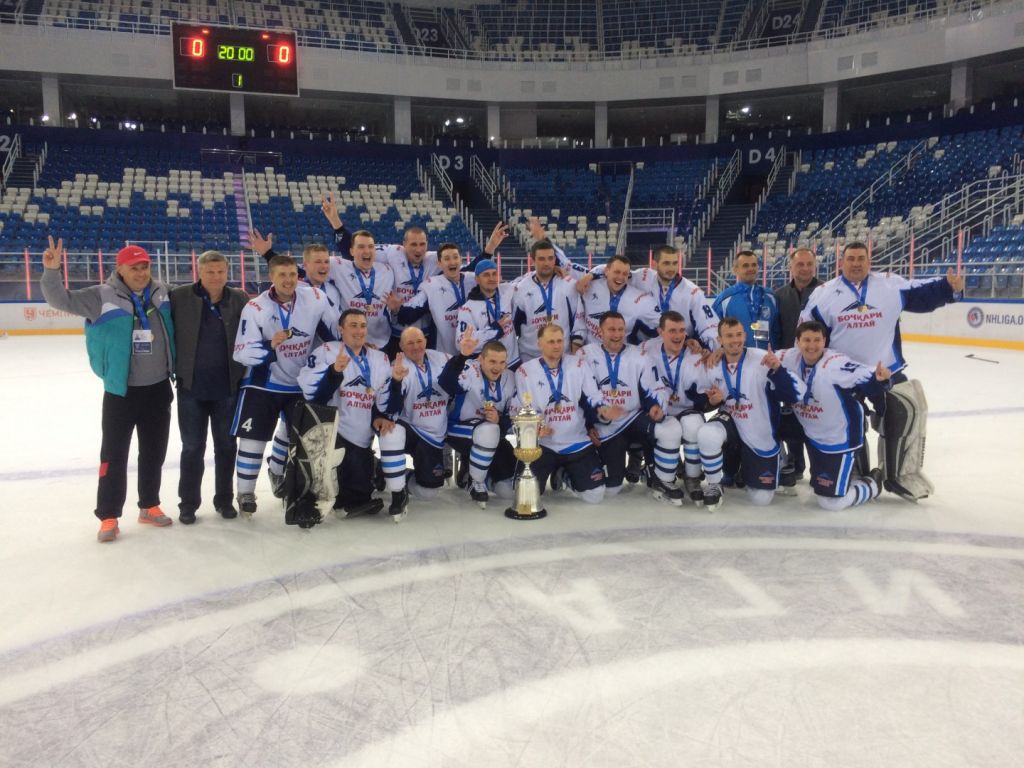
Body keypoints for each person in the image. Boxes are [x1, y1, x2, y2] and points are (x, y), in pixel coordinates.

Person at [800, 241, 964, 500]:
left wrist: (947, 287)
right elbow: (806, 334)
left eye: (861, 259)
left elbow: (920, 293)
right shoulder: (823, 294)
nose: (856, 263)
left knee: (906, 410)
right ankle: (854, 471)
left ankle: (899, 475)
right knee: (847, 421)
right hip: (843, 373)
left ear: (869, 261)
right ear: (841, 262)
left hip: (887, 369)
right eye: (851, 259)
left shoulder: (889, 284)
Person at [40, 238, 176, 542]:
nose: (141, 273)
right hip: (120, 392)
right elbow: (60, 300)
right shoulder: (101, 296)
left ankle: (149, 505)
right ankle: (109, 515)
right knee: (113, 455)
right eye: (134, 268)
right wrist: (52, 271)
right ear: (120, 269)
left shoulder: (162, 292)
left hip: (158, 388)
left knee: (153, 452)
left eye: (145, 266)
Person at [232, 254, 337, 517]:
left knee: (297, 436)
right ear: (271, 277)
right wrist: (270, 345)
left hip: (299, 382)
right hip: (263, 384)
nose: (288, 280)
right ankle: (245, 493)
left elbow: (333, 333)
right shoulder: (255, 308)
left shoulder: (315, 298)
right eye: (282, 275)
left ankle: (277, 472)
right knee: (253, 440)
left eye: (292, 275)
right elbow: (241, 352)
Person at [169, 250, 249, 524]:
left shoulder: (238, 298)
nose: (216, 277)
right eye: (210, 272)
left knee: (226, 446)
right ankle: (188, 504)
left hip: (227, 389)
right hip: (191, 388)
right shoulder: (179, 297)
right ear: (199, 271)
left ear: (227, 272)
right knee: (192, 447)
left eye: (221, 272)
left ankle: (224, 500)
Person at [778, 321, 888, 510]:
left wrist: (878, 379)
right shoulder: (789, 357)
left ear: (824, 341)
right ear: (797, 342)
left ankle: (872, 485)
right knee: (767, 422)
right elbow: (754, 360)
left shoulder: (835, 363)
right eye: (807, 340)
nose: (812, 345)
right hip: (810, 431)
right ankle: (782, 468)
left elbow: (863, 375)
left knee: (831, 502)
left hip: (838, 437)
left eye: (817, 340)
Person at [695, 316, 802, 511]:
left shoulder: (762, 359)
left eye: (738, 335)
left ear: (745, 336)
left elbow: (795, 395)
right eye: (729, 336)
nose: (735, 340)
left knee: (761, 499)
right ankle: (714, 484)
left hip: (758, 432)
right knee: (707, 433)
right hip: (731, 422)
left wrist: (778, 370)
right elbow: (702, 403)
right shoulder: (712, 364)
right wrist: (712, 402)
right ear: (720, 340)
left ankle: (759, 468)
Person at [578, 312, 684, 504]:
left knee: (669, 428)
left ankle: (663, 479)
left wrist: (656, 407)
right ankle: (568, 472)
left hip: (633, 418)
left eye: (620, 329)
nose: (617, 334)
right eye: (611, 329)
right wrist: (588, 425)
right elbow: (581, 396)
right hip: (605, 428)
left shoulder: (639, 355)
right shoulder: (584, 355)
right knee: (612, 489)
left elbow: (655, 388)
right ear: (600, 331)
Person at [298, 308, 392, 520]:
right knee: (330, 484)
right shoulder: (326, 352)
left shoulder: (380, 358)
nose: (359, 331)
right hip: (333, 429)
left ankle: (372, 473)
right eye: (353, 326)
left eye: (363, 326)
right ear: (341, 329)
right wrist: (333, 372)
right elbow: (315, 398)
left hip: (362, 433)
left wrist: (380, 415)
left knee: (359, 489)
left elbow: (382, 398)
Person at [513, 323, 623, 504]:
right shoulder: (525, 371)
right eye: (551, 342)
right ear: (539, 344)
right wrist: (535, 427)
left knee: (594, 496)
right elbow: (522, 409)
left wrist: (604, 410)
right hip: (543, 445)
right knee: (525, 498)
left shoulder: (579, 365)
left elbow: (593, 396)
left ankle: (566, 475)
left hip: (576, 442)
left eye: (559, 341)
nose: (557, 346)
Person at [377, 327, 453, 520]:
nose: (416, 346)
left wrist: (465, 356)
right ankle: (397, 493)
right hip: (409, 427)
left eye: (419, 341)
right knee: (391, 432)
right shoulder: (397, 366)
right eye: (409, 343)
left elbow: (462, 384)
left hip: (433, 435)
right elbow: (388, 408)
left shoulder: (443, 359)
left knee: (428, 492)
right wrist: (396, 382)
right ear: (401, 346)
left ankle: (384, 469)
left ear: (425, 341)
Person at [438, 330, 518, 508]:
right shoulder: (469, 369)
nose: (497, 367)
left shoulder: (511, 378)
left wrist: (500, 420)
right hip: (458, 429)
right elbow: (446, 383)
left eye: (502, 362)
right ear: (481, 359)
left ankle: (476, 475)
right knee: (489, 430)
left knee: (507, 491)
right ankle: (477, 482)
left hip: (493, 435)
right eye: (492, 361)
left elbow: (513, 417)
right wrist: (462, 356)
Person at [639, 310, 710, 504]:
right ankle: (663, 479)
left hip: (687, 410)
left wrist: (709, 400)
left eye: (682, 330)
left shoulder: (696, 355)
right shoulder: (646, 349)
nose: (678, 336)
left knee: (693, 425)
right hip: (660, 410)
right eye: (672, 331)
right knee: (670, 430)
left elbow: (704, 396)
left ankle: (692, 477)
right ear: (660, 332)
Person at [773, 246, 823, 491]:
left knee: (817, 415)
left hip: (819, 367)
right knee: (792, 415)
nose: (804, 268)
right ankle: (796, 462)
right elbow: (776, 330)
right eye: (799, 264)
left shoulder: (826, 292)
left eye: (809, 264)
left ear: (815, 266)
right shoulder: (779, 295)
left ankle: (820, 466)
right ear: (790, 267)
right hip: (789, 366)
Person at [386, 242, 477, 355]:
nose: (452, 262)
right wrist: (397, 309)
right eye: (447, 259)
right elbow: (410, 314)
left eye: (455, 257)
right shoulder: (431, 285)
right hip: (443, 354)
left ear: (460, 260)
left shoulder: (473, 279)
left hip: (473, 351)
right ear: (439, 263)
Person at [512, 239, 581, 362]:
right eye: (541, 259)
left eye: (550, 258)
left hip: (562, 356)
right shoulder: (520, 289)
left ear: (555, 260)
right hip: (530, 358)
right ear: (532, 261)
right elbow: (514, 327)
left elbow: (578, 320)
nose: (547, 263)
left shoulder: (569, 285)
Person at [575, 254, 661, 347]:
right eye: (617, 272)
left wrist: (645, 349)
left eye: (625, 274)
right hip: (591, 351)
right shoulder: (589, 286)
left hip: (623, 354)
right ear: (606, 271)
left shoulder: (641, 300)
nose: (620, 277)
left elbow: (662, 327)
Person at [711, 250, 781, 350]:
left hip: (767, 357)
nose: (750, 269)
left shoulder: (770, 296)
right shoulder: (724, 299)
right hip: (738, 357)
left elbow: (777, 331)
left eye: (754, 265)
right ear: (735, 269)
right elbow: (713, 331)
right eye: (745, 266)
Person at [457, 258, 520, 367]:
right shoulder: (468, 308)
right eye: (486, 275)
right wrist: (494, 330)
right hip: (489, 367)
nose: (491, 278)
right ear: (477, 279)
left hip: (512, 362)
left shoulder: (507, 290)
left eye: (494, 274)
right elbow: (462, 343)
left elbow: (527, 279)